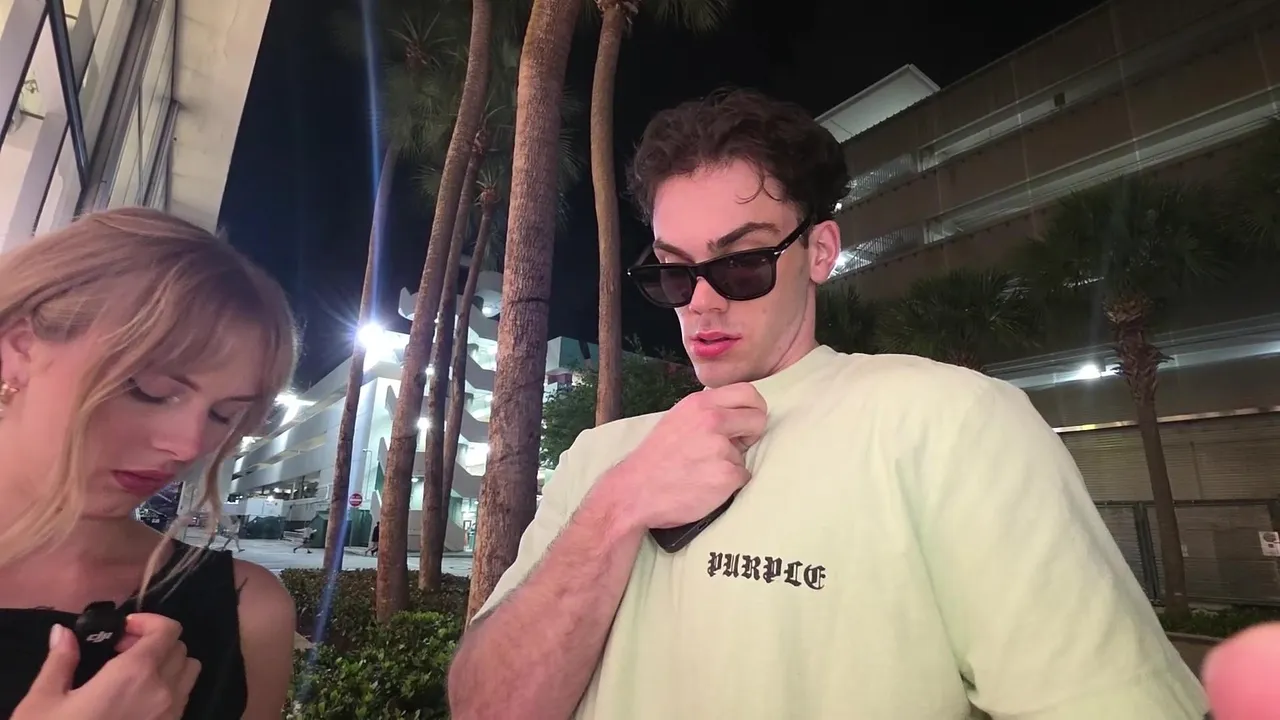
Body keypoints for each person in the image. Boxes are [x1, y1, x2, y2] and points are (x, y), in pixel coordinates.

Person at [447, 88, 1209, 718]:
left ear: (818, 252)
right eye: (674, 273)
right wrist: (618, 508)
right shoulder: (600, 460)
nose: (701, 303)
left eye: (742, 263)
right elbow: (484, 704)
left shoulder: (949, 425)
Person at [0, 208, 299, 720]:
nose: (188, 445)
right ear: (20, 347)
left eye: (224, 414)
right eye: (150, 390)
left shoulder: (248, 609)